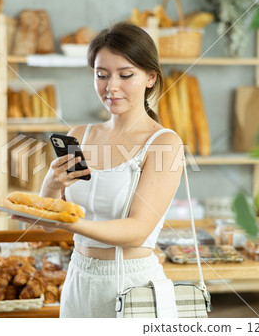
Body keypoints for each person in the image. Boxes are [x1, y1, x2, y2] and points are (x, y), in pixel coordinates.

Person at [15, 21, 184, 317]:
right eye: (102, 75)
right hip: (78, 279)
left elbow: (137, 230)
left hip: (132, 283)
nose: (111, 87)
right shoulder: (80, 135)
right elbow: (48, 224)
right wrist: (51, 188)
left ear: (150, 78)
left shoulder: (164, 143)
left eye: (125, 75)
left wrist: (72, 224)